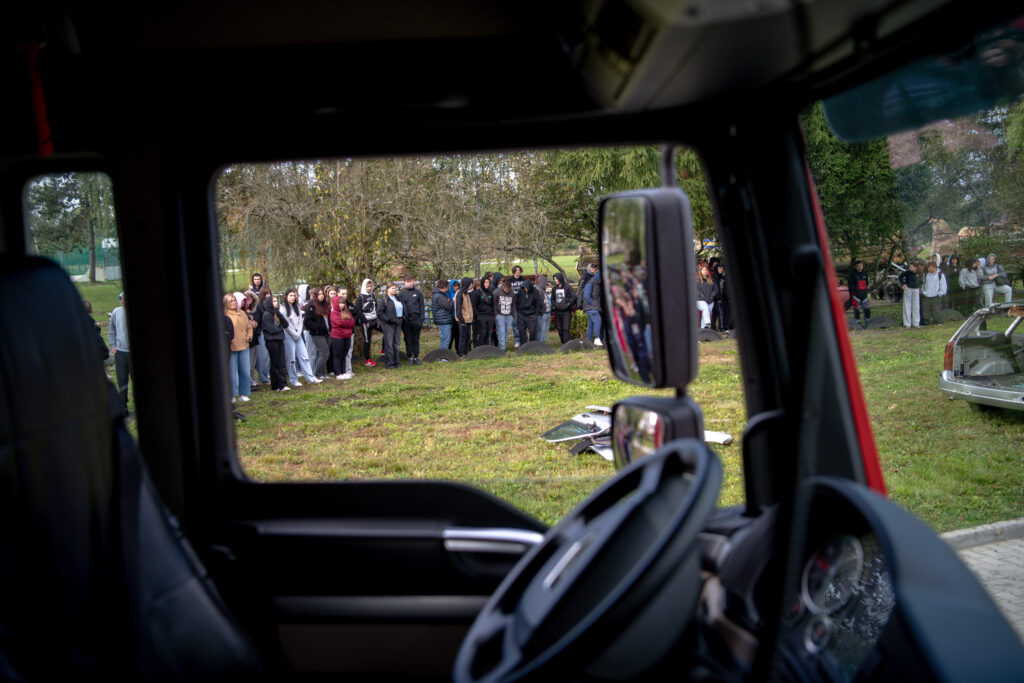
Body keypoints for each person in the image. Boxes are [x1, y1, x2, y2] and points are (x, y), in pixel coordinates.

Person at [281, 288, 321, 385]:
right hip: (289, 335)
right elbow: (285, 324)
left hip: (298, 334)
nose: (293, 298)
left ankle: (310, 378)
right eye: (290, 295)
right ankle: (293, 379)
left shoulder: (297, 307)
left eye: (294, 296)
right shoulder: (283, 309)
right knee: (291, 359)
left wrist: (298, 332)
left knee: (304, 356)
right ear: (286, 297)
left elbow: (300, 321)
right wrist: (294, 333)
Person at [224, 293, 253, 403]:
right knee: (231, 372)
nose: (234, 302)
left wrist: (249, 336)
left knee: (245, 371)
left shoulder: (242, 313)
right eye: (231, 301)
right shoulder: (225, 315)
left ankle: (244, 393)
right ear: (226, 303)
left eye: (234, 300)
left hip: (244, 345)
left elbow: (249, 327)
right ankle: (231, 395)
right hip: (231, 347)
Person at [108, 291, 132, 416]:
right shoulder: (116, 312)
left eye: (124, 299)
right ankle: (123, 407)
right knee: (122, 380)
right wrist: (113, 345)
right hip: (121, 353)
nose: (123, 301)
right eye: (121, 299)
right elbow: (111, 330)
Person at [261, 294, 290, 391]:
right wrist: (280, 329)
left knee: (282, 362)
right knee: (275, 363)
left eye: (277, 301)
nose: (276, 302)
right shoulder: (266, 315)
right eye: (274, 301)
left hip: (280, 339)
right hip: (272, 341)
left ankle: (283, 384)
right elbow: (272, 330)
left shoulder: (276, 313)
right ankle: (275, 384)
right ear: (269, 303)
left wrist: (279, 314)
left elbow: (286, 324)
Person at [303, 287, 331, 379]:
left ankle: (322, 372)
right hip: (317, 333)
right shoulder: (311, 306)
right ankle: (318, 372)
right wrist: (316, 327)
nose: (321, 296)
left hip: (326, 332)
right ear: (315, 296)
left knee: (323, 353)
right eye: (319, 295)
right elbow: (307, 321)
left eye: (322, 294)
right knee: (324, 352)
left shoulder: (325, 305)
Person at [398, 275, 425, 365]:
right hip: (406, 321)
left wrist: (421, 318)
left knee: (416, 339)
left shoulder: (418, 292)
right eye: (408, 282)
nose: (410, 283)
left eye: (411, 281)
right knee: (408, 339)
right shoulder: (401, 294)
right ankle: (409, 357)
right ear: (405, 283)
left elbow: (421, 306)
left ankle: (416, 357)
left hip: (416, 319)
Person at [328, 294, 356, 379]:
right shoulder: (333, 313)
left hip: (347, 336)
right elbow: (339, 323)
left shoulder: (347, 312)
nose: (342, 305)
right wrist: (346, 323)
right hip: (337, 337)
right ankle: (338, 373)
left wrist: (346, 323)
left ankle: (344, 372)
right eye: (340, 303)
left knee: (344, 355)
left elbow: (352, 322)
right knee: (338, 355)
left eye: (343, 303)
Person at [377, 283, 404, 369]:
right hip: (388, 324)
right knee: (389, 344)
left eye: (395, 288)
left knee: (396, 343)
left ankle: (396, 361)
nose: (394, 290)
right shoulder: (384, 300)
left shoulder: (398, 298)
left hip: (398, 322)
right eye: (392, 288)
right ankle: (390, 363)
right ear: (387, 289)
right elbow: (380, 312)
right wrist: (388, 319)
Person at [355, 278, 379, 366]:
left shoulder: (373, 296)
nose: (369, 288)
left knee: (386, 330)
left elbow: (376, 307)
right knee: (367, 340)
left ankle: (384, 350)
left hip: (375, 320)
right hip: (366, 321)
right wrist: (365, 321)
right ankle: (367, 359)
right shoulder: (360, 297)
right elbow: (357, 310)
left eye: (370, 286)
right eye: (367, 286)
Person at [515, 276, 543, 344]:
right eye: (524, 287)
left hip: (532, 315)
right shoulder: (521, 291)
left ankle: (532, 346)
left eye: (527, 288)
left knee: (533, 332)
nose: (525, 289)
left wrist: (537, 313)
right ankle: (523, 346)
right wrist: (518, 311)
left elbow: (538, 303)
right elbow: (517, 301)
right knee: (521, 332)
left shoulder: (535, 292)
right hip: (521, 315)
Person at [550, 272, 575, 345]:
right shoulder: (554, 288)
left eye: (556, 279)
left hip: (566, 312)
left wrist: (568, 304)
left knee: (566, 328)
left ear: (560, 278)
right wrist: (556, 305)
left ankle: (567, 345)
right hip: (557, 311)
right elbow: (552, 299)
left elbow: (574, 296)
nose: (555, 280)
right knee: (559, 329)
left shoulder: (567, 287)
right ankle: (563, 343)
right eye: (554, 279)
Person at [472, 275, 495, 347]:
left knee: (489, 333)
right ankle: (480, 349)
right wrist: (477, 316)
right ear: (482, 283)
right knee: (482, 333)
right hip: (481, 316)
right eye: (485, 282)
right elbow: (474, 306)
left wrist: (493, 315)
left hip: (489, 316)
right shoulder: (477, 293)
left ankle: (487, 348)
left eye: (488, 282)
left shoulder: (490, 293)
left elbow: (493, 305)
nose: (487, 284)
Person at [431, 279, 454, 351]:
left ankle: (444, 355)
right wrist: (451, 300)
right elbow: (449, 306)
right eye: (448, 287)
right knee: (446, 338)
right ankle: (443, 356)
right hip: (443, 320)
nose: (449, 289)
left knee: (445, 338)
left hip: (443, 319)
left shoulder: (439, 295)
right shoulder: (440, 297)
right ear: (445, 287)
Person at [493, 276, 516, 351]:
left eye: (509, 290)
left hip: (509, 315)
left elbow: (513, 304)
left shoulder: (512, 292)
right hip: (500, 315)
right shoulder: (496, 292)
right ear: (503, 287)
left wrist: (512, 314)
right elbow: (493, 304)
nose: (508, 291)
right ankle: (502, 349)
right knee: (501, 331)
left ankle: (502, 345)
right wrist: (495, 314)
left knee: (506, 332)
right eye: (506, 290)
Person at [454, 276, 475, 358]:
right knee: (462, 339)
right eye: (471, 284)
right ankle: (460, 354)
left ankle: (465, 353)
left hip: (468, 320)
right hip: (463, 320)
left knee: (468, 338)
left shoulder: (466, 294)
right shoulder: (459, 294)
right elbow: (458, 309)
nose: (472, 286)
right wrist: (461, 321)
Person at [583, 268, 604, 345]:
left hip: (591, 307)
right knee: (598, 319)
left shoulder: (595, 283)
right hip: (591, 307)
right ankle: (597, 339)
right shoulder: (590, 283)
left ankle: (589, 341)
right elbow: (586, 295)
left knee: (591, 323)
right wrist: (593, 304)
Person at [849, 260, 872, 326]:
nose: (859, 268)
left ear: (863, 266)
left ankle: (868, 321)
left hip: (864, 295)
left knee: (867, 308)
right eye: (857, 266)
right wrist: (854, 292)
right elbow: (851, 285)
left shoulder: (865, 274)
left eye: (861, 266)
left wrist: (866, 291)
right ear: (855, 267)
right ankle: (857, 322)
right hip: (856, 296)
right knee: (856, 309)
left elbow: (868, 283)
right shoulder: (852, 275)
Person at [899, 260, 922, 328]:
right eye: (909, 266)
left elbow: (922, 280)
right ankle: (907, 323)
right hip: (908, 289)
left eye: (911, 267)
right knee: (907, 306)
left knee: (916, 306)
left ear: (915, 267)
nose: (910, 268)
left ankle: (916, 323)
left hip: (916, 289)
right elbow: (900, 277)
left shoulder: (919, 273)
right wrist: (903, 284)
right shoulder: (907, 272)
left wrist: (919, 286)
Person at [509, 266, 525, 348]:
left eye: (519, 270)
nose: (518, 272)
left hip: (522, 305)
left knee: (522, 323)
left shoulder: (523, 280)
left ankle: (523, 340)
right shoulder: (510, 280)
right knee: (514, 324)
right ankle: (517, 340)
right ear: (513, 271)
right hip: (513, 305)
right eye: (516, 270)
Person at [535, 274, 551, 342]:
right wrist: (541, 312)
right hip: (543, 314)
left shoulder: (543, 290)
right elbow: (538, 303)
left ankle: (543, 343)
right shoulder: (538, 290)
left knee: (545, 330)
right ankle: (539, 344)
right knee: (541, 329)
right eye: (545, 282)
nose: (546, 283)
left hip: (547, 312)